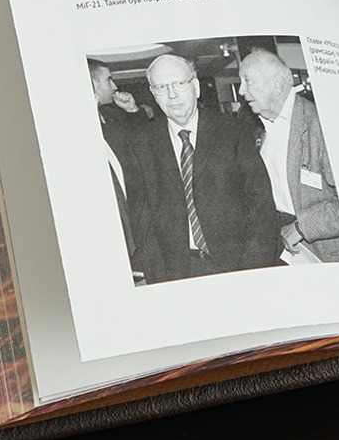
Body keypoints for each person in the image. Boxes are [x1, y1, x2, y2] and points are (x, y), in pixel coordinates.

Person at [128, 53, 282, 283]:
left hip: (239, 266)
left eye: (179, 84)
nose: (172, 95)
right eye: (161, 87)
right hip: (177, 274)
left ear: (196, 87)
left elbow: (261, 206)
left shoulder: (234, 132)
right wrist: (158, 275)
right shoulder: (140, 142)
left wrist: (253, 269)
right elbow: (141, 218)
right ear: (153, 93)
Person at [238, 49, 339, 263]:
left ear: (276, 84)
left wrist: (302, 227)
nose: (241, 90)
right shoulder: (260, 130)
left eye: (247, 81)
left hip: (328, 254)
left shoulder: (321, 125)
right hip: (284, 247)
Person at [89, 60, 150, 276]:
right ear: (92, 84)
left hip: (136, 219)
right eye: (108, 80)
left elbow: (145, 144)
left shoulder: (113, 117)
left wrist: (133, 110)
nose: (114, 87)